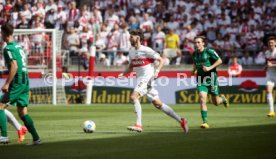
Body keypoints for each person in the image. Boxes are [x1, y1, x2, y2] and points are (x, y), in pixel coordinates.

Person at [118, 29, 188, 133]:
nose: (129, 38)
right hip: (141, 79)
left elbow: (161, 60)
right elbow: (131, 66)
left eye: (131, 36)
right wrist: (123, 74)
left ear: (138, 38)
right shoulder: (131, 52)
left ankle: (138, 124)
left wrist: (157, 71)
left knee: (134, 96)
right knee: (158, 104)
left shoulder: (146, 50)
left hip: (147, 78)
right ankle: (181, 120)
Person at [0, 23, 41, 145]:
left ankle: (3, 137)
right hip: (25, 81)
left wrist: (7, 83)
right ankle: (36, 138)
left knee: (0, 106)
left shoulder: (8, 48)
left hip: (17, 82)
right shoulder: (18, 47)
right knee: (22, 112)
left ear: (5, 34)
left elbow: (14, 66)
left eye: (1, 34)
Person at [192, 36, 229, 129]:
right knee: (202, 98)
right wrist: (193, 70)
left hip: (211, 79)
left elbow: (220, 61)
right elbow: (195, 64)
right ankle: (205, 122)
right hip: (201, 79)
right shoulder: (194, 54)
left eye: (198, 42)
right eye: (195, 43)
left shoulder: (209, 51)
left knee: (216, 102)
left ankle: (223, 99)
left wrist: (209, 68)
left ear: (203, 43)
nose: (196, 44)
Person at [265, 36, 276, 117]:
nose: (270, 44)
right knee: (268, 91)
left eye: (272, 43)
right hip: (270, 75)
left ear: (275, 43)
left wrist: (272, 65)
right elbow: (268, 63)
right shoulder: (267, 53)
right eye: (269, 43)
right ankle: (272, 111)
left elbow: (271, 64)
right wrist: (266, 66)